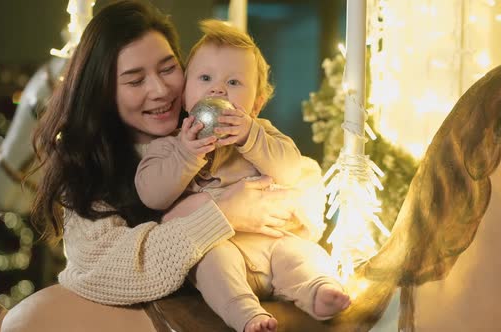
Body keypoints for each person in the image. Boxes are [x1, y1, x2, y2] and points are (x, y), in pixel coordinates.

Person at [28, 0, 296, 317]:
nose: (160, 90)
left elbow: (297, 179)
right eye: (135, 79)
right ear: (103, 91)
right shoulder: (89, 167)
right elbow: (106, 266)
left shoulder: (227, 132)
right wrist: (223, 214)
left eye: (168, 68)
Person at [134, 20, 351, 332]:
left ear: (257, 104)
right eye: (205, 78)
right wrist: (186, 153)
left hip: (271, 245)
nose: (218, 89)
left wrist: (251, 137)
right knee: (210, 265)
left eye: (234, 83)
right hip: (216, 247)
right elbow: (151, 195)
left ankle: (319, 290)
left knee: (303, 254)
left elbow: (293, 170)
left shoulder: (264, 135)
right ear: (183, 96)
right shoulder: (168, 147)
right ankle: (247, 315)